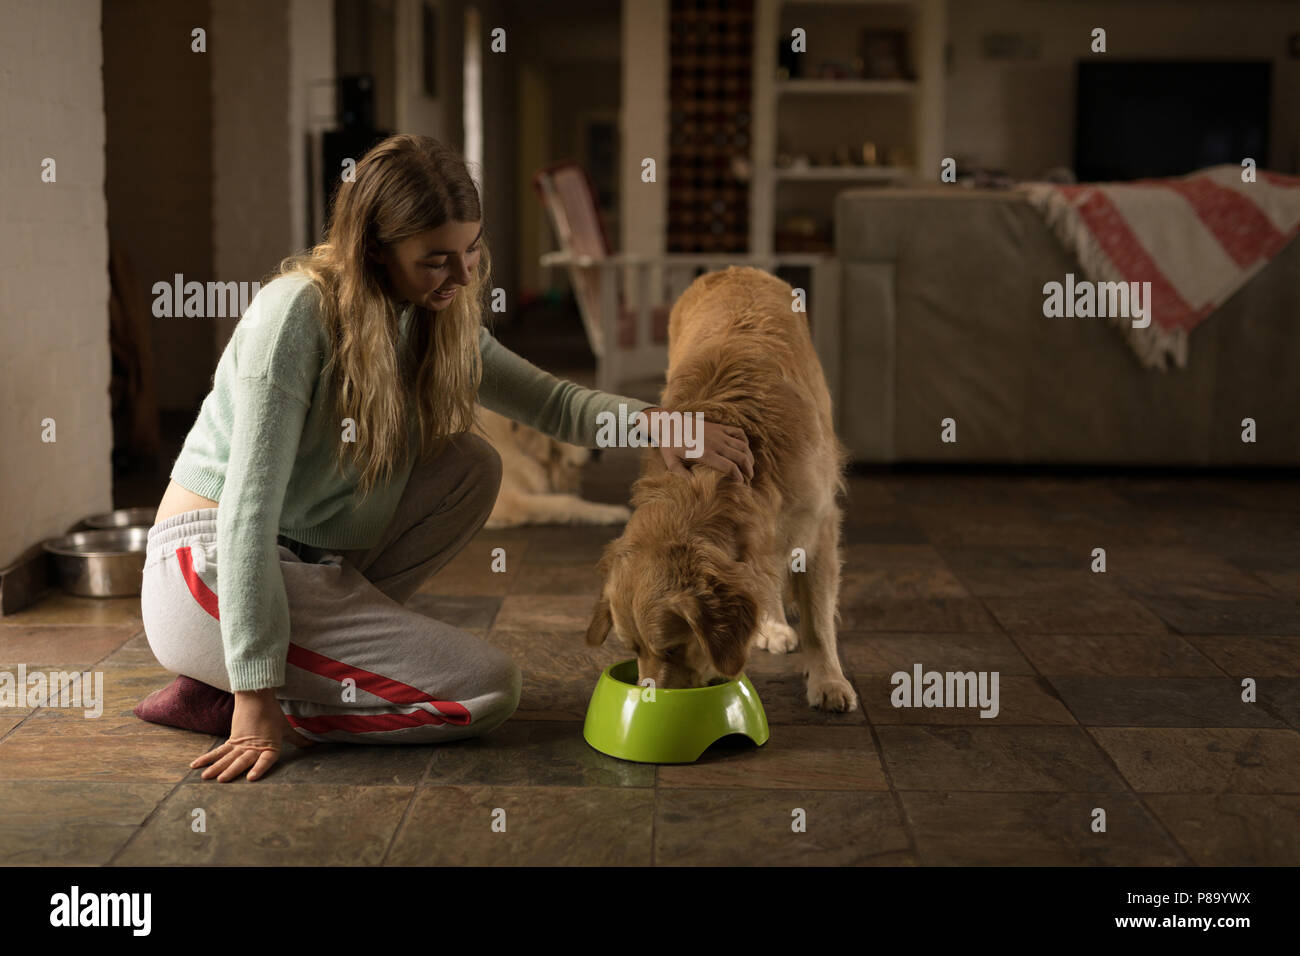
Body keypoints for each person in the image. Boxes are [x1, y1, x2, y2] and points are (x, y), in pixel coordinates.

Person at [136, 134, 753, 783]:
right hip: (207, 571)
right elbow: (246, 513)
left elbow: (553, 402)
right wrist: (256, 699)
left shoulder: (430, 316)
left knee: (471, 466)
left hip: (307, 564)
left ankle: (266, 671)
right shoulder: (295, 315)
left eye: (471, 250)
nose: (461, 277)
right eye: (436, 259)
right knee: (483, 691)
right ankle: (237, 691)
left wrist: (668, 424)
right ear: (374, 250)